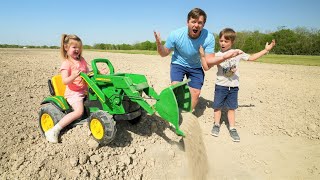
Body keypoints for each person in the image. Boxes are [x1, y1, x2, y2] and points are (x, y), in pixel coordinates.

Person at [154, 8, 241, 111]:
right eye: (193, 21)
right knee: (176, 88)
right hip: (178, 63)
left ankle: (187, 115)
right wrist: (159, 45)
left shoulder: (208, 37)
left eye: (200, 22)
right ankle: (175, 110)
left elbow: (209, 61)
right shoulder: (176, 34)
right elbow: (164, 53)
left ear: (203, 25)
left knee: (196, 92)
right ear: (187, 22)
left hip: (195, 66)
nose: (196, 25)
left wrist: (224, 57)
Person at [200, 28, 276, 142]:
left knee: (232, 108)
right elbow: (206, 67)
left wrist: (266, 50)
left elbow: (251, 58)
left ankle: (232, 128)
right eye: (221, 41)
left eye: (226, 41)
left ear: (232, 42)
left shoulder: (238, 52)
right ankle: (216, 125)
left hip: (233, 87)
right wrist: (202, 56)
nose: (223, 43)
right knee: (217, 107)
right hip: (220, 86)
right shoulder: (217, 55)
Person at [45, 34, 89, 143]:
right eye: (74, 47)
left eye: (79, 47)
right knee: (79, 111)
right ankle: (54, 130)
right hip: (74, 93)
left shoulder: (82, 60)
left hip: (85, 90)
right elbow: (65, 81)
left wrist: (98, 73)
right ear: (66, 48)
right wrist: (73, 75)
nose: (77, 50)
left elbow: (88, 73)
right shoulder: (67, 63)